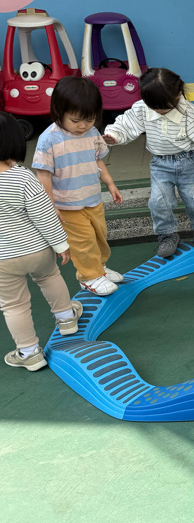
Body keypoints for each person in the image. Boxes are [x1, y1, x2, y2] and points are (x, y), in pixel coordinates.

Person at [103, 68, 194, 258]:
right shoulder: (143, 108)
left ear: (178, 94)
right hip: (160, 164)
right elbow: (125, 124)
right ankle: (167, 234)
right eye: (154, 107)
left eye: (163, 107)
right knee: (158, 202)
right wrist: (114, 134)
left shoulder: (190, 113)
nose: (159, 111)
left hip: (190, 162)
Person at [0, 112, 84, 371]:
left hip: (3, 259)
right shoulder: (23, 177)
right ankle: (66, 318)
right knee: (49, 278)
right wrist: (61, 244)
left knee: (14, 305)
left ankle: (29, 353)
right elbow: (45, 215)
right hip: (37, 250)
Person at [33, 76, 124, 296]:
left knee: (99, 236)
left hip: (92, 198)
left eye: (89, 119)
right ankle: (89, 277)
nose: (83, 126)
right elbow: (43, 175)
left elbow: (98, 161)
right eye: (75, 120)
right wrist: (50, 205)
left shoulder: (92, 134)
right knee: (83, 241)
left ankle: (99, 268)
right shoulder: (49, 139)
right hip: (67, 205)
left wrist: (110, 183)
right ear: (59, 112)